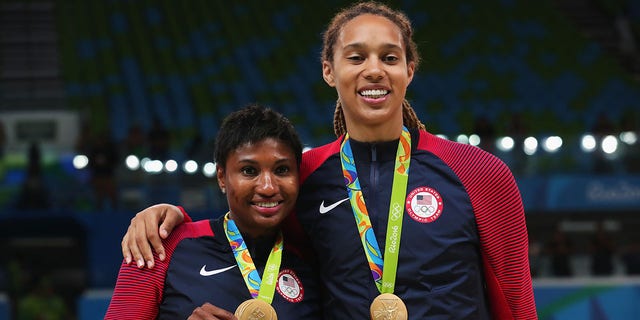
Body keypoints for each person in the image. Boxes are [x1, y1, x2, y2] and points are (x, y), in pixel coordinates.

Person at [121, 2, 537, 319]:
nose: (374, 70)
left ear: (410, 70)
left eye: (389, 58)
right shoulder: (304, 175)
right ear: (328, 70)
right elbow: (247, 219)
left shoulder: (480, 173)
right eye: (356, 57)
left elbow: (517, 300)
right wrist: (167, 216)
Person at [105, 105, 322, 319]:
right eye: (249, 171)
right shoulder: (158, 246)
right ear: (221, 177)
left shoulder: (315, 257)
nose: (268, 187)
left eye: (282, 170)